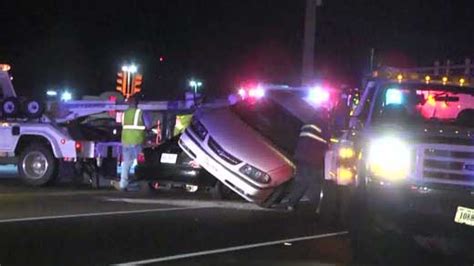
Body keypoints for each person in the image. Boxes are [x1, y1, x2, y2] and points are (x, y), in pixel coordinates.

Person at [281, 112, 329, 212]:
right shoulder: (322, 124)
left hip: (301, 156)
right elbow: (326, 141)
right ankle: (318, 207)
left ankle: (291, 204)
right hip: (311, 158)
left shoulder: (308, 123)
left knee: (301, 181)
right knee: (314, 182)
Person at [112, 96, 149, 191]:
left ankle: (123, 184)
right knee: (142, 163)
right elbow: (147, 124)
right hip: (137, 140)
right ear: (136, 103)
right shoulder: (139, 112)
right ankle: (145, 183)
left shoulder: (124, 114)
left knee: (126, 163)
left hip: (126, 141)